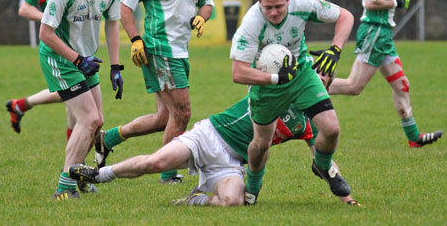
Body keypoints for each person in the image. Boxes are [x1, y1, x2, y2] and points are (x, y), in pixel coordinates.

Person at [68, 96, 360, 206]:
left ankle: (193, 200)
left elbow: (323, 162)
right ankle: (98, 175)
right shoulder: (273, 92)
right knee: (158, 161)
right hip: (210, 135)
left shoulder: (307, 126)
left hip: (232, 161)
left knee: (232, 201)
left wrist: (346, 198)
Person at [99, 0, 213, 184]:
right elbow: (125, 7)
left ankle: (109, 138)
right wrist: (136, 39)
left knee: (165, 117)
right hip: (158, 49)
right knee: (183, 112)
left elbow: (206, 4)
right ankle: (168, 172)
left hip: (181, 50)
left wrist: (202, 18)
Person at [229, 0, 354, 204]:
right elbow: (238, 73)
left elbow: (345, 16)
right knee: (261, 143)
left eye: (278, 6)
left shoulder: (303, 4)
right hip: (267, 86)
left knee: (332, 128)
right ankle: (253, 188)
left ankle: (323, 166)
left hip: (302, 75)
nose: (274, 13)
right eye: (268, 8)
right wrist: (276, 78)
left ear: (288, 0)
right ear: (259, 2)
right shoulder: (251, 23)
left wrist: (335, 50)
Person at [328, 0, 443, 148]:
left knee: (402, 85)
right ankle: (309, 89)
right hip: (375, 32)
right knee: (354, 86)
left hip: (382, 36)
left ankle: (414, 137)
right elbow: (371, 3)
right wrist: (396, 3)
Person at [38, 0, 123, 200]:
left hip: (86, 59)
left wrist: (115, 66)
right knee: (89, 119)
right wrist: (77, 60)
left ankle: (79, 175)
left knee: (98, 122)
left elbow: (112, 24)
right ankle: (65, 186)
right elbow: (45, 33)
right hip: (60, 59)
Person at [6, 0, 74, 137]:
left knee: (74, 92)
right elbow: (24, 8)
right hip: (55, 44)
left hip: (73, 43)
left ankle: (20, 105)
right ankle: (76, 152)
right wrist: (48, 18)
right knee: (77, 93)